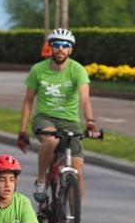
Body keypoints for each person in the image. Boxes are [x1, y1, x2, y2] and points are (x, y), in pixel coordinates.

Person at [15, 27, 99, 201]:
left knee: (77, 172)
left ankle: (73, 220)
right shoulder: (38, 69)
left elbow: (85, 99)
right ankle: (41, 179)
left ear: (70, 49)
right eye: (57, 45)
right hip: (45, 118)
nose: (60, 49)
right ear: (50, 47)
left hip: (70, 121)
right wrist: (22, 131)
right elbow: (29, 100)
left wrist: (90, 122)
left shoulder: (77, 70)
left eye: (65, 45)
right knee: (51, 140)